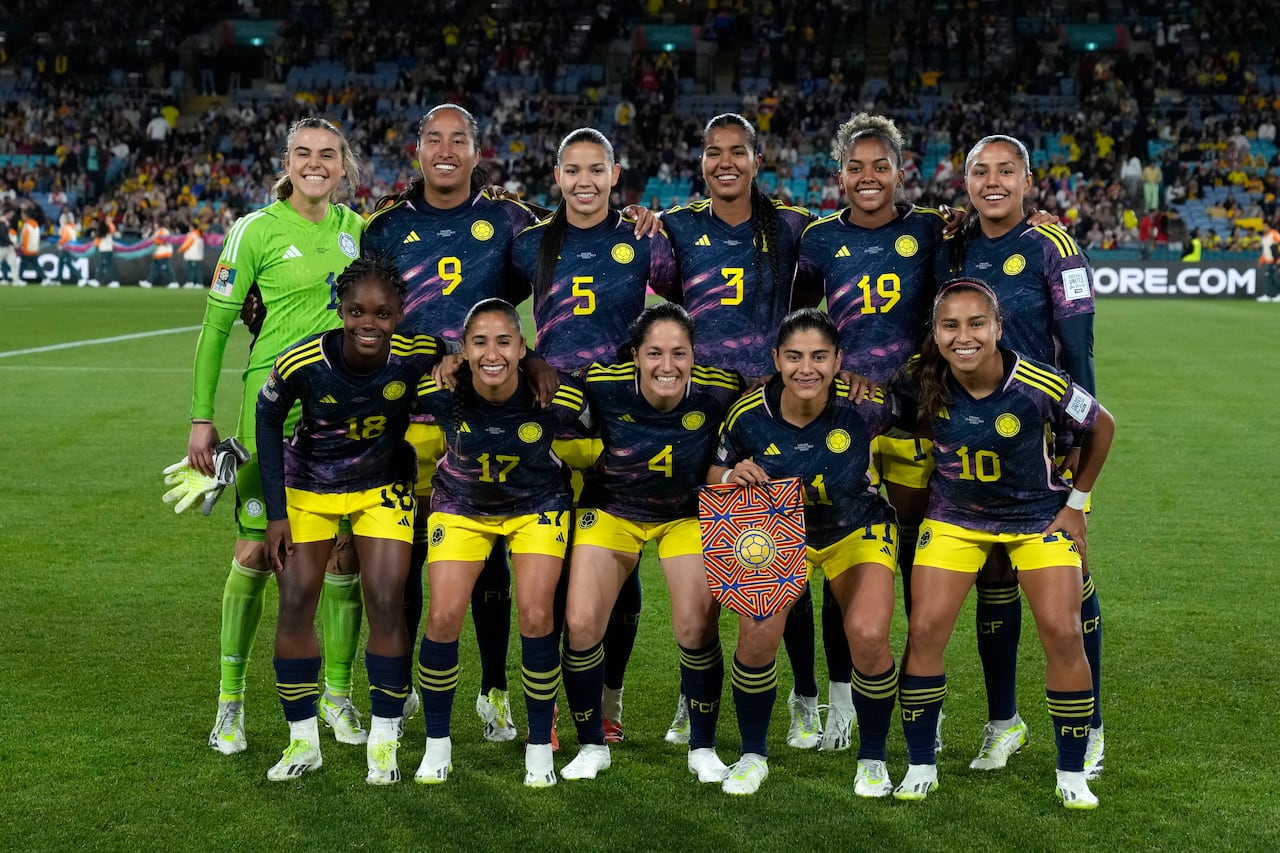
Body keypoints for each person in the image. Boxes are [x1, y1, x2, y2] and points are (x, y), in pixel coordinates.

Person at [893, 279, 1115, 809]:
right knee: (924, 630)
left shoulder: (1040, 382)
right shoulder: (918, 380)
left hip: (1037, 518)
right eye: (950, 325)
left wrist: (1076, 505)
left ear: (998, 327)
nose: (962, 336)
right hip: (953, 518)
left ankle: (1071, 771)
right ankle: (921, 763)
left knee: (1063, 632)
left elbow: (1102, 424)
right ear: (936, 333)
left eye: (975, 324)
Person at [186, 116, 369, 757]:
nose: (315, 164)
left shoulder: (356, 232)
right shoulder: (254, 230)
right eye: (302, 154)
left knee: (343, 555)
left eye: (327, 155)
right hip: (268, 416)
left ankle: (338, 699)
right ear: (286, 161)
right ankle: (229, 705)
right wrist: (201, 419)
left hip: (338, 421)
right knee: (257, 555)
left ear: (343, 167)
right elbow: (215, 330)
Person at [361, 104, 543, 743]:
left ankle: (494, 688)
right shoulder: (383, 226)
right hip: (404, 415)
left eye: (457, 139)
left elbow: (572, 252)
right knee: (407, 557)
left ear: (475, 149)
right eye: (433, 138)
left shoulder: (509, 217)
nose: (445, 149)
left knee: (489, 551)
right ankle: (408, 684)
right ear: (417, 149)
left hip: (486, 413)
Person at [660, 113, 829, 750]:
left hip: (771, 412)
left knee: (785, 562)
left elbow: (814, 298)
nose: (724, 162)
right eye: (712, 152)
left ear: (758, 160)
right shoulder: (678, 227)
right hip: (700, 414)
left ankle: (805, 696)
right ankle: (689, 697)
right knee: (705, 564)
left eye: (737, 152)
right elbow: (667, 302)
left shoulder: (791, 226)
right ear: (700, 161)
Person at [508, 127, 680, 742]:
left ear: (615, 177)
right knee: (550, 567)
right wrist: (527, 358)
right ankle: (548, 707)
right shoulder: (529, 245)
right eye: (572, 170)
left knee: (621, 565)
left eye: (596, 170)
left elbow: (694, 309)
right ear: (557, 177)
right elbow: (489, 318)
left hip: (622, 419)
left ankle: (609, 700)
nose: (584, 181)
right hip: (551, 419)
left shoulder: (641, 240)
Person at [947, 134, 1105, 779]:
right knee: (992, 576)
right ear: (965, 182)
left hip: (1044, 445)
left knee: (1068, 582)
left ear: (1028, 179)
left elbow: (1081, 353)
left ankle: (1089, 725)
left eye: (1006, 171)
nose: (993, 182)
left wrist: (1076, 456)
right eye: (980, 172)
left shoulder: (1054, 246)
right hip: (971, 441)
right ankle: (1003, 722)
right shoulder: (954, 243)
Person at [256, 257, 445, 784]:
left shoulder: (418, 353)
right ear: (340, 310)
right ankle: (302, 742)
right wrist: (276, 514)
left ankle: (383, 742)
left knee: (387, 601)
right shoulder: (301, 362)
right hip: (308, 489)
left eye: (383, 313)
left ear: (400, 314)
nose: (369, 323)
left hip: (381, 488)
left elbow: (456, 359)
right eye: (357, 311)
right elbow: (267, 419)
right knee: (295, 603)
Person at [796, 112, 949, 750]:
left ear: (899, 169)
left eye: (879, 166)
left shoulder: (932, 230)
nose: (867, 177)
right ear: (839, 174)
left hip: (916, 420)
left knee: (914, 568)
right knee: (843, 564)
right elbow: (803, 324)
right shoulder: (817, 240)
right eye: (855, 167)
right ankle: (840, 702)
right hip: (844, 426)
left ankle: (925, 709)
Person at [708, 308, 907, 796]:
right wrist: (733, 477)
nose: (807, 369)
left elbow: (932, 417)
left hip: (856, 529)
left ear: (840, 360)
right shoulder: (748, 414)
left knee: (866, 633)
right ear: (775, 359)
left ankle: (873, 758)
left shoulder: (867, 405)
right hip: (777, 532)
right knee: (755, 637)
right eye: (794, 356)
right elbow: (715, 473)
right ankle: (753, 754)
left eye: (820, 357)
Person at [558, 303, 744, 783]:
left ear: (694, 355)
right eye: (655, 353)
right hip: (613, 511)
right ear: (635, 356)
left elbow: (763, 415)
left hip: (686, 515)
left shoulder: (720, 390)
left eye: (679, 353)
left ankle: (702, 747)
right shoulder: (600, 384)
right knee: (580, 625)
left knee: (694, 627)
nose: (668, 365)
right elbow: (547, 398)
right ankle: (591, 745)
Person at [412, 298, 591, 788]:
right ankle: (437, 744)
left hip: (536, 506)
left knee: (536, 613)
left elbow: (610, 428)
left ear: (522, 347)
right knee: (443, 615)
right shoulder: (439, 390)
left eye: (504, 341)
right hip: (461, 505)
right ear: (463, 350)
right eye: (479, 342)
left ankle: (538, 746)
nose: (493, 353)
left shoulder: (556, 395)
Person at [142, 214, 179, 289]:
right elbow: (147, 238)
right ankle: (149, 282)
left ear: (158, 224)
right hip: (158, 252)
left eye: (155, 223)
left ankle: (174, 282)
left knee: (166, 268)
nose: (154, 225)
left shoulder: (162, 230)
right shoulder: (157, 231)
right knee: (154, 268)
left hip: (163, 252)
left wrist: (152, 241)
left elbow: (162, 240)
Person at [179, 220, 206, 289]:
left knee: (191, 270)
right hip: (197, 255)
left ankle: (191, 282)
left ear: (193, 228)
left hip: (192, 255)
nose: (189, 228)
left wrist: (180, 250)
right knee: (197, 270)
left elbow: (187, 244)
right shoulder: (200, 234)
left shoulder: (192, 234)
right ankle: (198, 283)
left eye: (190, 227)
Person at [1257, 223, 1280, 302]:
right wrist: (1261, 260)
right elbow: (1266, 251)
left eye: (1265, 226)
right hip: (1269, 261)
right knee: (1269, 277)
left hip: (1276, 260)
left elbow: (1278, 246)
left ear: (1269, 227)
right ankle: (1270, 295)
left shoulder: (1274, 234)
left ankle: (1275, 295)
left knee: (1276, 277)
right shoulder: (1264, 237)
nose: (1263, 228)